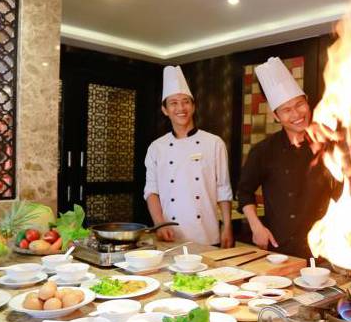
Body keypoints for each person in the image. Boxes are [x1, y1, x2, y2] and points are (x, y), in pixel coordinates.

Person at [237, 57, 336, 259]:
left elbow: (343, 193)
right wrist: (257, 227)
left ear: (307, 102)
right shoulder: (263, 151)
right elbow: (244, 192)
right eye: (286, 110)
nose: (296, 114)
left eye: (299, 104)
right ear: (276, 116)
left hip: (325, 246)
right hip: (280, 247)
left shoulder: (330, 144)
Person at [143, 65, 234, 247]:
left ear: (193, 106)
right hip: (170, 235)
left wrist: (227, 225)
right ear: (165, 110)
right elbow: (151, 191)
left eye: (185, 102)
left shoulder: (214, 143)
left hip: (207, 234)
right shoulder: (156, 147)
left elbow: (223, 188)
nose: (181, 108)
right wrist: (159, 224)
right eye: (173, 103)